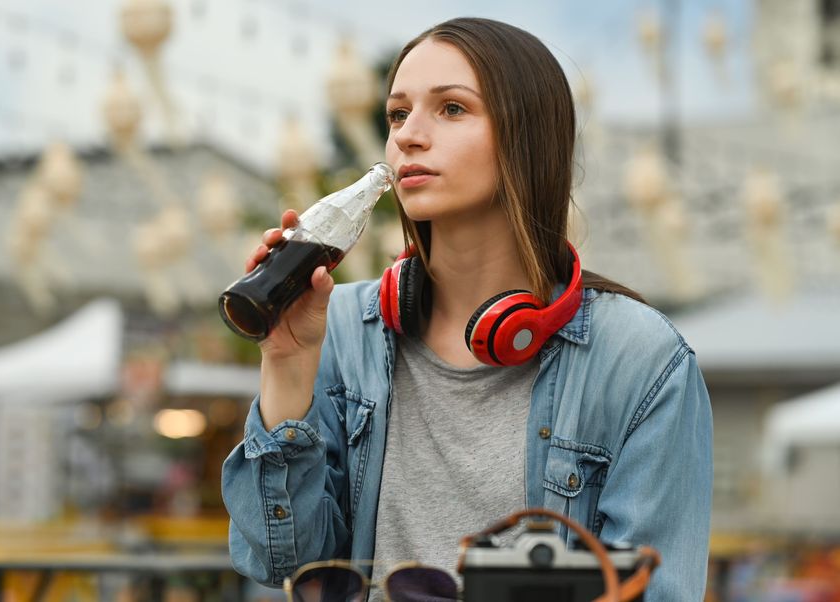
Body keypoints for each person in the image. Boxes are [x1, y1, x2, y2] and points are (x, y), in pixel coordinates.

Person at [221, 17, 713, 600]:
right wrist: (288, 363)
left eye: (451, 109)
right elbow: (286, 564)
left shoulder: (640, 361)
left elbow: (653, 591)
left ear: (526, 137)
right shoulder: (341, 327)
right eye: (398, 114)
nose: (408, 136)